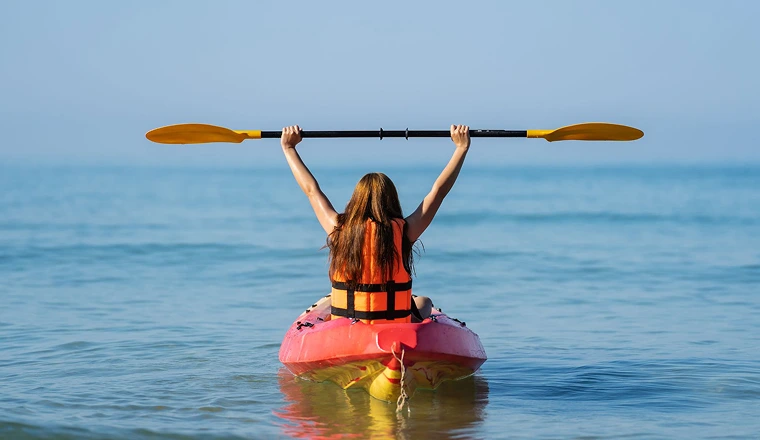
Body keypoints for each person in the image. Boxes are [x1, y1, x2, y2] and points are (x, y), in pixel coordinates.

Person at [281, 124, 471, 323]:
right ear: (392, 200)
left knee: (327, 302)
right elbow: (438, 192)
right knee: (424, 302)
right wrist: (461, 148)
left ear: (356, 201)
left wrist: (289, 148)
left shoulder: (338, 228)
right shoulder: (405, 231)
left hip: (346, 329)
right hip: (394, 329)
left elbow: (312, 190)